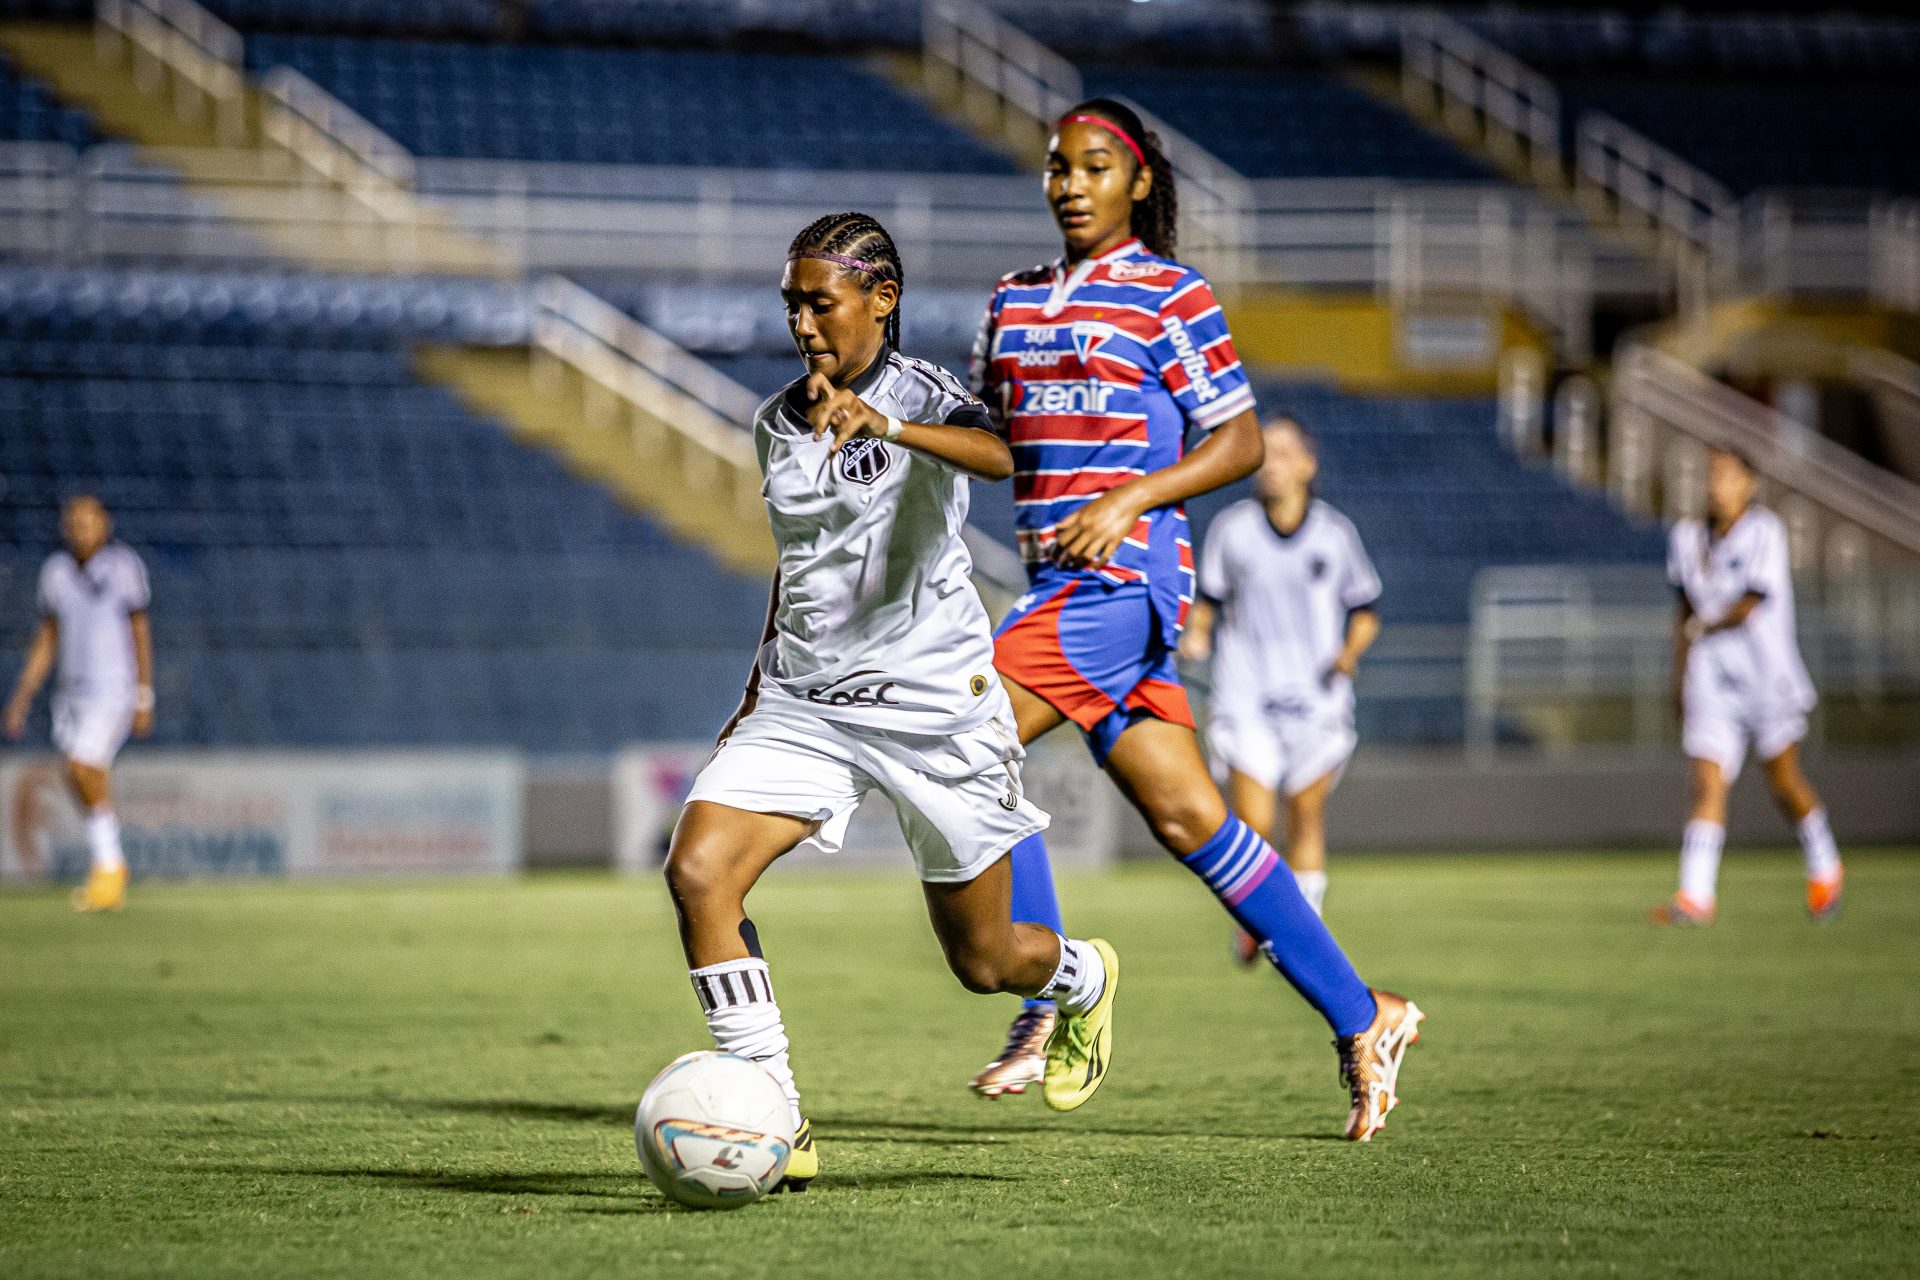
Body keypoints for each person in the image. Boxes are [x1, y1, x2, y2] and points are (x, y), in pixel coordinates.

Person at [966, 99, 1420, 1141]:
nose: (1070, 183)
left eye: (1093, 166)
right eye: (1056, 166)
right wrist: (894, 426)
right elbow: (998, 442)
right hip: (1055, 588)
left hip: (1129, 583)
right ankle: (1367, 1014)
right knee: (1193, 822)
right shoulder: (1013, 300)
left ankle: (1050, 993)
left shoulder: (1173, 295)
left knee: (970, 735)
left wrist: (1129, 496)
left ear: (1137, 184)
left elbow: (1244, 441)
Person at [663, 212, 1122, 1194]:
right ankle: (779, 1114)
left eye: (819, 300)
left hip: (933, 709)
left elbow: (1005, 460)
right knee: (701, 868)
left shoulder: (930, 397)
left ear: (883, 298)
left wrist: (894, 427)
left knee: (986, 959)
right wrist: (753, 701)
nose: (801, 322)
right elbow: (798, 574)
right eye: (791, 302)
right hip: (808, 701)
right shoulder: (773, 422)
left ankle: (1082, 976)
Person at [1179, 416, 1380, 941]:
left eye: (1285, 453)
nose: (1271, 463)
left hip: (1317, 695)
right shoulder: (1232, 528)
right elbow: (1209, 602)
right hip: (1246, 693)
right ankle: (1263, 921)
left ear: (1308, 466)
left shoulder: (1335, 534)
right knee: (1255, 824)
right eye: (1265, 452)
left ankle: (1300, 934)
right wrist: (1197, 635)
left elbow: (1365, 609)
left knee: (1306, 809)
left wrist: (1348, 653)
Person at [1655, 446, 1841, 925]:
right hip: (1712, 679)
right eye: (1711, 472)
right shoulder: (1686, 536)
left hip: (1766, 677)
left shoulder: (1764, 531)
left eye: (1726, 474)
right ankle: (1696, 896)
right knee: (1707, 784)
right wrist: (1678, 676)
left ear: (1748, 483)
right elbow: (1683, 614)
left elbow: (1749, 603)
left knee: (1784, 782)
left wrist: (1703, 626)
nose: (1715, 482)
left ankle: (1825, 865)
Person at [4, 495, 153, 913]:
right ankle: (109, 863)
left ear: (104, 525)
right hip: (72, 694)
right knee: (76, 773)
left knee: (82, 766)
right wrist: (22, 695)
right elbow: (47, 639)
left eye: (88, 521)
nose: (80, 529)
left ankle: (109, 868)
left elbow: (139, 630)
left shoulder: (123, 566)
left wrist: (144, 693)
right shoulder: (55, 573)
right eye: (73, 522)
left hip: (114, 688)